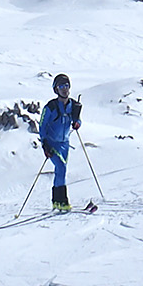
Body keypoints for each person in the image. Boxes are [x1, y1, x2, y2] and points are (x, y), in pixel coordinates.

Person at [38, 73, 83, 211]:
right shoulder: (50, 107)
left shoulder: (73, 106)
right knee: (62, 168)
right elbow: (42, 125)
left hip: (65, 144)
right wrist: (45, 144)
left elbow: (78, 120)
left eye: (66, 86)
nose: (65, 89)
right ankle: (63, 201)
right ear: (56, 89)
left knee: (60, 171)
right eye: (61, 86)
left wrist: (77, 123)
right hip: (52, 143)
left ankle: (56, 202)